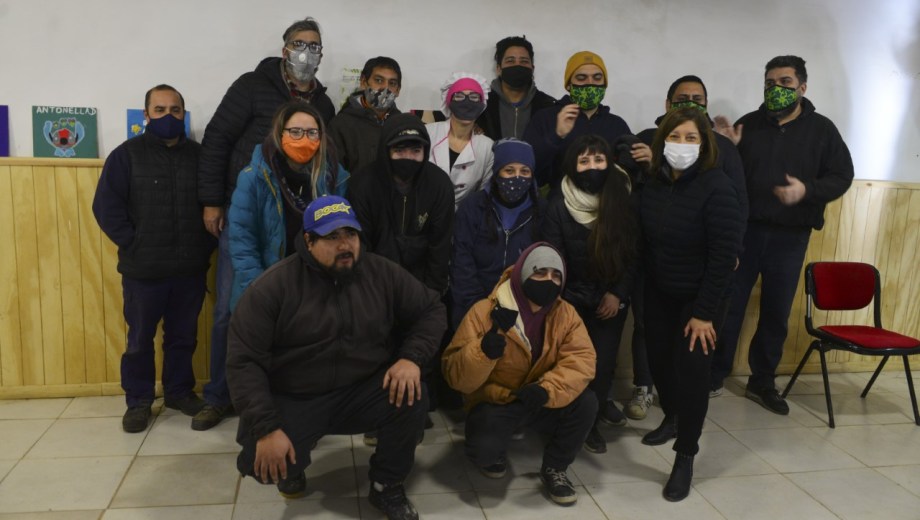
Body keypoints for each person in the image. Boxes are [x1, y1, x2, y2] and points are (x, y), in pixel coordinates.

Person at [227, 195, 445, 520]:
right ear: (308, 241)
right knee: (258, 464)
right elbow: (244, 362)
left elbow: (431, 309)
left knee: (412, 396)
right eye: (331, 237)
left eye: (350, 234)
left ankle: (387, 485)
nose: (345, 245)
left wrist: (411, 358)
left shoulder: (381, 272)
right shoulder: (272, 288)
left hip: (362, 389)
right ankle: (292, 467)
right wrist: (266, 429)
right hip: (298, 396)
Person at [195, 17, 336, 431]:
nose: (306, 52)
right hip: (247, 211)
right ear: (284, 48)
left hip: (298, 218)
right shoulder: (252, 86)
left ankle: (275, 395)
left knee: (293, 311)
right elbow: (217, 139)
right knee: (232, 308)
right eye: (299, 43)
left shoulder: (325, 104)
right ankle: (219, 395)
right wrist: (211, 202)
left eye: (314, 45)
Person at [710, 56, 854, 413]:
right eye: (770, 83)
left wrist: (807, 190)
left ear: (802, 87)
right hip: (745, 233)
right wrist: (727, 148)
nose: (776, 89)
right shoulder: (748, 124)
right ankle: (714, 374)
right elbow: (727, 177)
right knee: (729, 306)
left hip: (791, 237)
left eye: (785, 82)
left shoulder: (823, 130)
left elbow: (842, 176)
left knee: (776, 312)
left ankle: (762, 381)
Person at [92, 84, 215, 433]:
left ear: (183, 114)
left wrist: (203, 246)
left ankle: (178, 392)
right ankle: (138, 400)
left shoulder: (201, 157)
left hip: (189, 269)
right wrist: (134, 243)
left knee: (183, 338)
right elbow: (106, 207)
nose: (168, 116)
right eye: (159, 110)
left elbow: (214, 205)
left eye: (175, 110)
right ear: (146, 115)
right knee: (139, 341)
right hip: (143, 271)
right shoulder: (126, 155)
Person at [629, 74, 749, 416]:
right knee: (657, 350)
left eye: (698, 99)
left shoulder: (721, 165)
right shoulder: (652, 152)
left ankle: (686, 437)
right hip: (659, 277)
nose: (690, 104)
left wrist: (733, 249)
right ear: (667, 105)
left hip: (701, 282)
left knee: (693, 363)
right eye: (683, 98)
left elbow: (738, 206)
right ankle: (664, 411)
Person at [443, 242, 596, 507]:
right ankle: (495, 448)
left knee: (587, 402)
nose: (549, 280)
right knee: (484, 452)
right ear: (523, 273)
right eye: (540, 272)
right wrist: (482, 352)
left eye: (556, 275)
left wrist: (547, 389)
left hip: (540, 397)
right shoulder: (484, 311)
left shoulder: (566, 314)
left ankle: (555, 467)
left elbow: (582, 360)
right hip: (499, 400)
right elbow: (455, 377)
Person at [640, 107, 742, 501]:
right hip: (661, 289)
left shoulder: (717, 186)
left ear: (704, 144)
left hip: (702, 298)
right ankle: (673, 417)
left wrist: (703, 314)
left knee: (693, 370)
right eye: (675, 136)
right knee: (659, 362)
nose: (682, 144)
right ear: (662, 140)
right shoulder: (654, 182)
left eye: (691, 138)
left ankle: (685, 454)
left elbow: (724, 256)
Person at [543, 134, 639, 454]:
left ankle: (592, 423)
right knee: (570, 363)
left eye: (599, 160)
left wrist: (617, 294)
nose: (592, 167)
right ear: (572, 165)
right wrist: (562, 301)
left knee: (602, 364)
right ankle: (569, 421)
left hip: (609, 300)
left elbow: (632, 254)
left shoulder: (622, 198)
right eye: (584, 161)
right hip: (569, 300)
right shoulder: (558, 203)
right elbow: (553, 257)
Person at [228, 101, 348, 311]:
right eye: (295, 132)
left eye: (312, 133)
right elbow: (243, 243)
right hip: (267, 285)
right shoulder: (254, 178)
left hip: (318, 288)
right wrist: (260, 293)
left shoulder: (335, 178)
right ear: (279, 134)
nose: (304, 139)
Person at [348, 113, 455, 296]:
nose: (408, 157)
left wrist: (432, 296)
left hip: (421, 286)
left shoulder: (439, 185)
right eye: (399, 150)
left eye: (416, 151)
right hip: (373, 285)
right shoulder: (362, 185)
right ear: (386, 150)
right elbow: (360, 246)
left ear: (425, 151)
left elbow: (440, 248)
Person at [523, 50, 651, 193]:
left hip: (607, 202)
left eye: (597, 78)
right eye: (581, 78)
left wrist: (647, 162)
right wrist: (556, 136)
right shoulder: (545, 118)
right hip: (560, 201)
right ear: (569, 85)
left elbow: (630, 175)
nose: (590, 83)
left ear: (604, 84)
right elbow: (527, 168)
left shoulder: (617, 124)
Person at [450, 138, 544, 329]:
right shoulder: (473, 207)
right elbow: (461, 262)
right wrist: (481, 309)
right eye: (509, 170)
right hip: (472, 309)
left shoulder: (542, 212)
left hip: (522, 311)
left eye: (524, 171)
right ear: (497, 172)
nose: (517, 178)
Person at [426, 73, 495, 208]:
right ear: (448, 101)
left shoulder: (487, 147)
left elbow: (483, 195)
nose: (467, 102)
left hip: (463, 216)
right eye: (459, 96)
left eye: (474, 97)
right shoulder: (428, 133)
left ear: (482, 104)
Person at [328, 56, 402, 172]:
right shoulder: (340, 125)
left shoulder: (402, 126)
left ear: (398, 90)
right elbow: (333, 175)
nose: (385, 88)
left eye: (392, 83)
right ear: (363, 82)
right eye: (378, 80)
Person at [475, 36, 556, 141]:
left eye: (524, 61)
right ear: (499, 69)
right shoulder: (481, 106)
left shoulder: (548, 106)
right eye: (510, 61)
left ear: (532, 68)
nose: (518, 65)